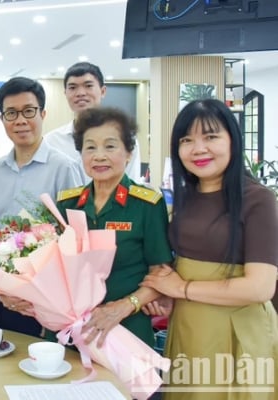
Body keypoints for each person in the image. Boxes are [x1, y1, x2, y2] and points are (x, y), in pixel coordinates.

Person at [141, 99, 278, 398]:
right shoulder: (186, 196)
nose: (198, 148)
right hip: (188, 325)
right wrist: (167, 295)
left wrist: (182, 288)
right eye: (186, 140)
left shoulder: (258, 199)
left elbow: (260, 288)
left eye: (211, 136)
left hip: (236, 328)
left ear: (233, 139)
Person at [52, 107, 173, 348]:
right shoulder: (67, 203)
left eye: (110, 146)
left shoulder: (146, 204)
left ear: (129, 153)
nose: (99, 156)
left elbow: (161, 272)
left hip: (126, 326)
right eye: (90, 147)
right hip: (71, 328)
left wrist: (125, 306)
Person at [0, 76, 81, 337]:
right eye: (11, 113)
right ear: (2, 119)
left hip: (47, 296)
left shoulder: (64, 167)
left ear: (43, 113)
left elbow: (75, 235)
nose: (20, 120)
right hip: (2, 293)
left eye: (29, 111)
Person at [45, 62, 141, 183]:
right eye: (73, 88)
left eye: (88, 86)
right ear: (65, 94)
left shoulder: (125, 137)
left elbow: (131, 184)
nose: (80, 93)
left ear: (103, 91)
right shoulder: (51, 141)